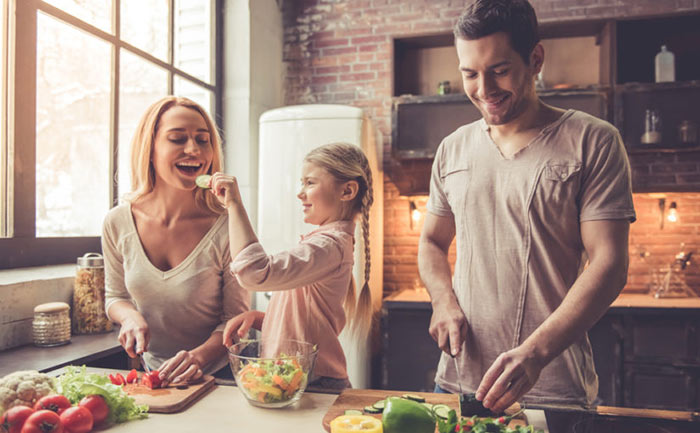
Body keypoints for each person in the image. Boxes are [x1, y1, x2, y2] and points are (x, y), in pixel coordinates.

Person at [417, 0, 636, 429]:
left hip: (553, 387)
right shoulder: (452, 149)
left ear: (535, 59)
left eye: (499, 69)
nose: (484, 88)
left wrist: (534, 354)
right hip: (461, 380)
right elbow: (431, 241)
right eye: (470, 74)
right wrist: (442, 299)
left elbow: (609, 263)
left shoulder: (593, 141)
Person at [103, 96, 250, 386]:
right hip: (153, 375)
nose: (194, 150)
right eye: (178, 138)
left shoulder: (226, 226)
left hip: (221, 378)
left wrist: (198, 358)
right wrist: (130, 317)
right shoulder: (117, 222)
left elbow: (237, 320)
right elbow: (115, 297)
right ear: (150, 148)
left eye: (203, 139)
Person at [212, 142, 374, 391]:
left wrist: (234, 204)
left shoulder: (329, 245)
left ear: (347, 191)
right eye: (302, 183)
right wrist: (260, 319)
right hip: (299, 381)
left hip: (315, 385)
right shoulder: (326, 244)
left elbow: (254, 273)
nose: (300, 193)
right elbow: (305, 321)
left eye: (310, 183)